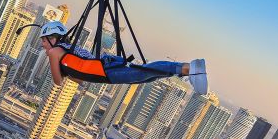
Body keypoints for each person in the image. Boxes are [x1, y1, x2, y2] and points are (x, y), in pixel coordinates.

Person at [38, 21, 208, 93]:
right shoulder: (66, 51)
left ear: (53, 39)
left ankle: (189, 68)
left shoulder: (55, 53)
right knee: (146, 77)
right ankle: (185, 70)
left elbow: (57, 81)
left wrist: (61, 70)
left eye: (44, 41)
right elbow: (80, 77)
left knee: (144, 72)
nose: (42, 45)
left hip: (107, 73)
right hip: (106, 71)